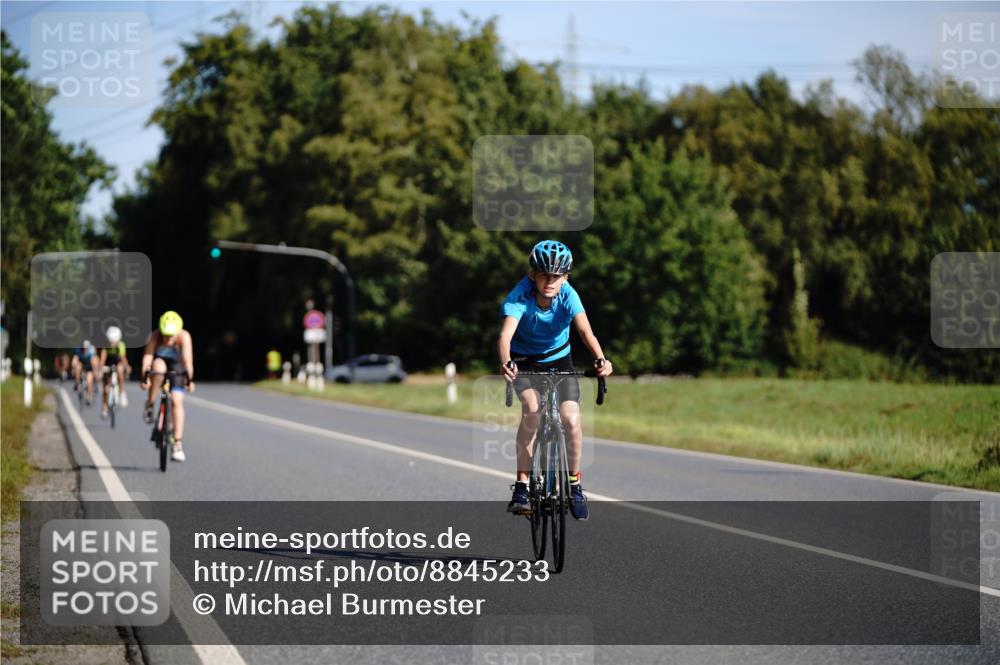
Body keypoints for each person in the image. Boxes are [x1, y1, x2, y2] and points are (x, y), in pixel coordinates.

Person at [497, 240, 613, 521]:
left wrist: (601, 359)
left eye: (556, 276)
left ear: (566, 278)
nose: (550, 282)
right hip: (525, 361)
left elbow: (585, 332)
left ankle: (574, 485)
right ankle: (522, 487)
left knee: (571, 419)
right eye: (544, 275)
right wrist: (507, 362)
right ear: (532, 275)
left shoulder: (569, 295)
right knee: (532, 411)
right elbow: (505, 336)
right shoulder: (519, 296)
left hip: (560, 360)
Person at [139, 311, 196, 462]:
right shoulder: (155, 336)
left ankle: (177, 443)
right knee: (158, 368)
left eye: (171, 335)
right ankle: (150, 403)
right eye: (166, 335)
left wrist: (189, 380)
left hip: (177, 366)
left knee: (177, 401)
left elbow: (187, 361)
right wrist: (145, 377)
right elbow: (148, 357)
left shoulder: (184, 337)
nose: (168, 339)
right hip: (160, 364)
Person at [99, 326, 131, 417]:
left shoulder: (121, 345)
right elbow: (102, 359)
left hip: (117, 363)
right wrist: (101, 369)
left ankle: (122, 392)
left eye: (113, 342)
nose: (111, 344)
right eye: (110, 341)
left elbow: (123, 358)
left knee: (120, 370)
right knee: (106, 389)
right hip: (108, 364)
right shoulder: (105, 346)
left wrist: (127, 367)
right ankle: (104, 407)